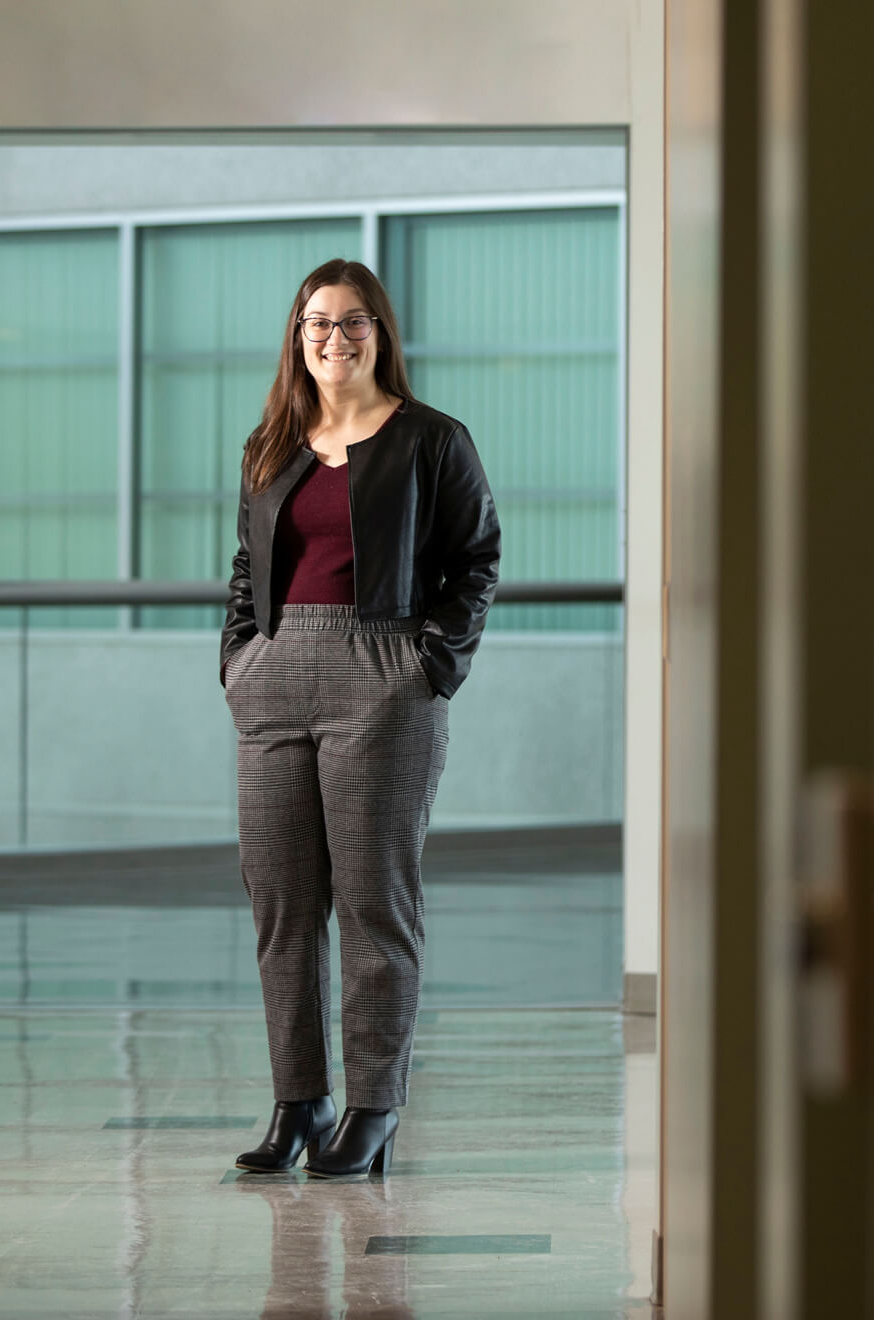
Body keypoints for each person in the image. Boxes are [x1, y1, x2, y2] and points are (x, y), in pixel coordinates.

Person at [218, 258, 500, 1178]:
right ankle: (299, 1100)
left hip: (383, 672)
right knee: (282, 906)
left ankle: (374, 1106)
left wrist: (428, 666)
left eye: (351, 324)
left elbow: (476, 560)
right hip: (274, 677)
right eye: (316, 324)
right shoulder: (272, 440)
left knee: (376, 905)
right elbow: (244, 566)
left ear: (379, 332)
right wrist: (238, 660)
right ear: (297, 337)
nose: (333, 340)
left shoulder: (431, 439)